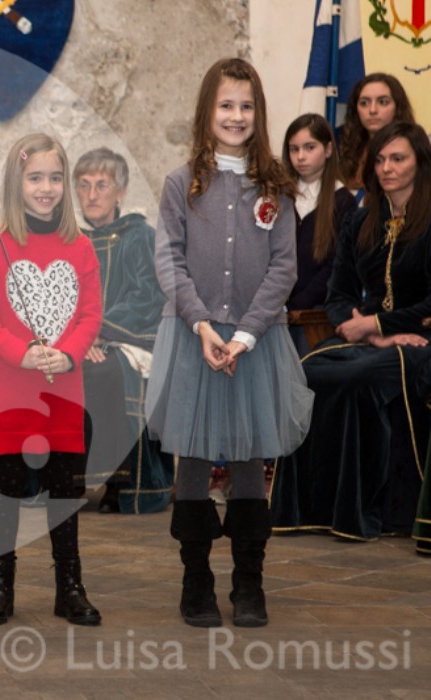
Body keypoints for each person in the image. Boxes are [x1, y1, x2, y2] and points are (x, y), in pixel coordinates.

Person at [145, 58, 313, 628]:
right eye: (226, 105)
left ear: (258, 114)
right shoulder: (180, 184)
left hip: (254, 343)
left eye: (246, 106)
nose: (236, 116)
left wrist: (243, 335)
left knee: (248, 459)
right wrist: (201, 323)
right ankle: (196, 581)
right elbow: (169, 259)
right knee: (192, 459)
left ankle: (249, 582)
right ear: (206, 112)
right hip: (193, 338)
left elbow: (283, 268)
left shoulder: (276, 187)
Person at [271, 121, 431, 546]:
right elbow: (338, 296)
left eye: (398, 158)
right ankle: (311, 508)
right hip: (367, 338)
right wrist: (370, 333)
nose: (386, 168)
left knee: (362, 377)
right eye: (380, 159)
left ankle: (378, 510)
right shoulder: (361, 221)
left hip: (420, 340)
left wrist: (379, 326)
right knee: (306, 372)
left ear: (420, 163)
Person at [0, 133, 103, 626]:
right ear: (16, 183)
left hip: (64, 391)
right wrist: (21, 353)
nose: (46, 188)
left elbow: (90, 314)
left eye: (54, 178)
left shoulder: (80, 247)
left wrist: (67, 355)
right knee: (5, 492)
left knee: (65, 493)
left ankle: (70, 586)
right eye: (35, 178)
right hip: (11, 391)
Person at [72, 147, 171, 514]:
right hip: (80, 341)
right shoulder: (69, 240)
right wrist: (79, 339)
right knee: (62, 370)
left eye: (102, 185)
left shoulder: (140, 236)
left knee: (109, 371)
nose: (92, 194)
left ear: (121, 191)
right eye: (84, 185)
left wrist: (99, 331)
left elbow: (147, 296)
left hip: (129, 340)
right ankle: (67, 479)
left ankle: (124, 482)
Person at [282, 114, 358, 356]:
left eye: (309, 147)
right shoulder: (280, 196)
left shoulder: (343, 200)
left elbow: (336, 265)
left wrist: (298, 304)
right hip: (277, 309)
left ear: (327, 150)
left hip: (318, 314)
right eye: (294, 149)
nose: (300, 156)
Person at [338, 73, 415, 191]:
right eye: (364, 103)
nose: (372, 110)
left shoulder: (415, 150)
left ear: (398, 107)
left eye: (382, 102)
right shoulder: (348, 151)